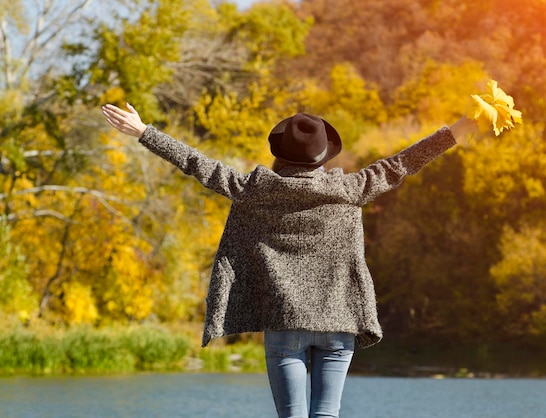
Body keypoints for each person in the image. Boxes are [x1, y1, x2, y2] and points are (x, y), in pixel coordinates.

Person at [102, 103, 478, 417]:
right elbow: (403, 163)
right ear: (323, 155)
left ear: (279, 154)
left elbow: (198, 164)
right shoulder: (349, 189)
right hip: (338, 322)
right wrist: (460, 129)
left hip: (285, 324)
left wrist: (143, 132)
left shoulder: (254, 190)